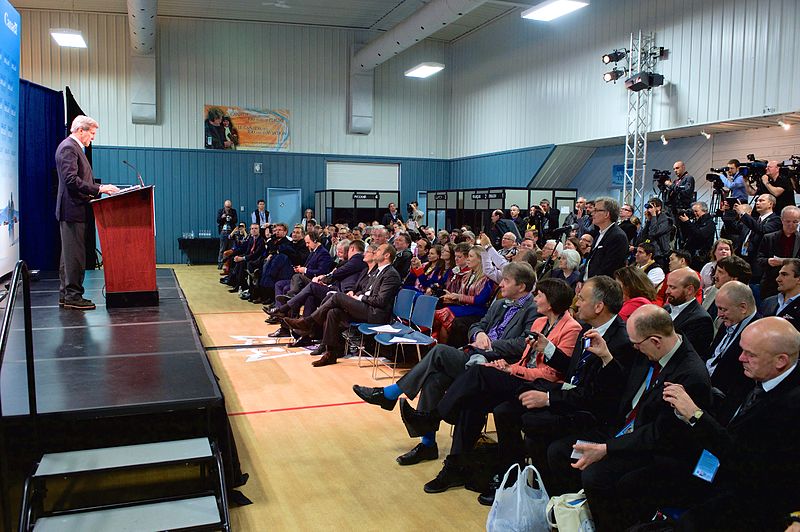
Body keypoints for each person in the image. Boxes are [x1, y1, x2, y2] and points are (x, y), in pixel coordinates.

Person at [396, 278, 580, 493]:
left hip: (538, 385)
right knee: (471, 400)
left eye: (539, 295)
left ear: (550, 302)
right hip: (519, 374)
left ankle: (433, 417)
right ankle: (454, 466)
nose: (535, 298)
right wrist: (506, 365)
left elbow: (551, 374)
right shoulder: (540, 322)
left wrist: (513, 369)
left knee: (477, 373)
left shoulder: (572, 328)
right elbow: (524, 357)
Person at [352, 262, 538, 466]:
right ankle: (427, 444)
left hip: (495, 365)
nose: (501, 284)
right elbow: (477, 325)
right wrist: (479, 333)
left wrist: (490, 344)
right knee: (433, 379)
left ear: (521, 286)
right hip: (475, 353)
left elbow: (524, 344)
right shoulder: (500, 304)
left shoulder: (533, 309)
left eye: (506, 281)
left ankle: (390, 394)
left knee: (439, 350)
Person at [546, 305, 712, 532]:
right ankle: (574, 519)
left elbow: (661, 434)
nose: (633, 347)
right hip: (623, 428)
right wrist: (606, 356)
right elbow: (624, 388)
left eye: (637, 343)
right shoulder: (650, 352)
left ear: (655, 340)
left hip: (655, 449)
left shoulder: (690, 375)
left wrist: (606, 449)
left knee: (597, 476)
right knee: (559, 450)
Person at [481, 276, 636, 505]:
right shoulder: (589, 327)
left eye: (581, 298)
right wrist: (549, 349)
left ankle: (550, 499)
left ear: (599, 306)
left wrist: (548, 399)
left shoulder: (620, 341)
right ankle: (512, 479)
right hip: (569, 393)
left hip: (589, 412)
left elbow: (596, 395)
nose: (576, 303)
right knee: (504, 409)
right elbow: (574, 370)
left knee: (533, 424)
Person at [662, 317, 800, 532]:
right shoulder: (755, 372)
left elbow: (746, 462)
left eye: (750, 354)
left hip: (747, 497)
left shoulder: (791, 408)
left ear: (780, 361)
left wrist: (696, 416)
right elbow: (727, 423)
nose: (740, 358)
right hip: (712, 468)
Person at [284, 243, 402, 367]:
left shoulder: (391, 274)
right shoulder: (377, 271)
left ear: (386, 255)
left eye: (378, 250)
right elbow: (366, 289)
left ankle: (308, 322)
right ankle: (331, 353)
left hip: (376, 313)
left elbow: (381, 301)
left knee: (337, 296)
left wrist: (360, 297)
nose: (375, 252)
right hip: (366, 307)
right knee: (333, 312)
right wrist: (356, 294)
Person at [55, 115, 120, 310]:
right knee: (74, 255)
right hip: (72, 210)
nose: (92, 138)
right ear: (80, 130)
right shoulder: (69, 148)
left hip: (74, 208)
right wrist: (99, 189)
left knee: (69, 256)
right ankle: (73, 296)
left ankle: (66, 295)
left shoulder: (72, 147)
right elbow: (71, 180)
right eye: (91, 134)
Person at [267, 240, 368, 341]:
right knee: (307, 295)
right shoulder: (347, 262)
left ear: (351, 249)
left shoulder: (357, 259)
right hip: (333, 289)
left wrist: (324, 279)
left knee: (310, 287)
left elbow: (337, 274)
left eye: (341, 251)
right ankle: (304, 333)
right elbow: (337, 275)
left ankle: (285, 308)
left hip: (340, 293)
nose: (338, 254)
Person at [705, 281, 760, 400]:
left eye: (723, 309)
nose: (719, 314)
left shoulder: (759, 334)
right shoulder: (729, 321)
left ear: (743, 307)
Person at [432, 245, 496, 345]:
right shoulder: (467, 275)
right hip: (465, 307)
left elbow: (481, 300)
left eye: (470, 256)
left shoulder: (487, 278)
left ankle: (442, 348)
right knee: (441, 314)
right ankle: (438, 347)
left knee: (443, 313)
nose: (467, 259)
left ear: (479, 259)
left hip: (479, 310)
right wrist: (453, 298)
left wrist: (458, 297)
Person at [734, 193, 780, 302]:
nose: (757, 203)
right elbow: (734, 228)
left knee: (756, 300)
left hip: (759, 269)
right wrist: (729, 212)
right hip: (745, 264)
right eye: (757, 201)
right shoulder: (754, 220)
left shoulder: (775, 220)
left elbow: (762, 230)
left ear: (770, 204)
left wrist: (744, 214)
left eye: (761, 200)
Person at [664, 267, 715, 357]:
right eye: (668, 286)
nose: (667, 291)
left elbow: (682, 354)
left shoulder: (701, 320)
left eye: (672, 287)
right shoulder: (666, 308)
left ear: (689, 290)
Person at [757, 205, 800, 299]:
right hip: (771, 284)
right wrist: (768, 261)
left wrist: (783, 261)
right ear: (782, 220)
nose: (791, 225)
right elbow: (759, 259)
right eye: (788, 221)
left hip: (795, 285)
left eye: (795, 222)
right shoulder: (769, 238)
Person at [583, 197, 629, 280]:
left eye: (596, 210)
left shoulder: (618, 236)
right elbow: (589, 261)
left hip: (601, 286)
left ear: (607, 214)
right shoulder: (600, 234)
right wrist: (580, 279)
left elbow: (609, 267)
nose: (592, 213)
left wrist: (590, 282)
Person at [760, 259, 800, 330]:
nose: (778, 279)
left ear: (798, 280)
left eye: (784, 274)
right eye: (779, 274)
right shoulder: (768, 302)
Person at [678, 201, 716, 271]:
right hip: (691, 255)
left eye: (696, 211)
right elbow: (686, 235)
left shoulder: (709, 223)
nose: (694, 214)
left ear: (704, 211)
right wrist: (683, 223)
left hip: (701, 257)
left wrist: (688, 222)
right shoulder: (696, 222)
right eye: (693, 211)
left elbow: (700, 235)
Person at [638, 197, 671, 267]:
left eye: (651, 207)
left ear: (659, 207)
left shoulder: (667, 220)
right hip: (649, 253)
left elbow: (653, 233)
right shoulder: (652, 219)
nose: (649, 209)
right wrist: (649, 220)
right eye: (648, 207)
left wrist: (653, 216)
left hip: (660, 255)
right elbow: (643, 236)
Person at [217, 199, 238, 268]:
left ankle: (229, 264)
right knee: (222, 249)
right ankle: (220, 263)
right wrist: (222, 217)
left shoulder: (233, 211)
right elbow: (218, 221)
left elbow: (236, 220)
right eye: (226, 207)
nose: (228, 208)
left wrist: (231, 218)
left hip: (231, 231)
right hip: (223, 231)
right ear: (224, 206)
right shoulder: (220, 211)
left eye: (229, 207)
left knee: (230, 248)